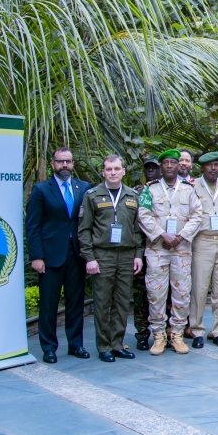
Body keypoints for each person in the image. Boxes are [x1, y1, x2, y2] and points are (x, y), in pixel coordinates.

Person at [25, 147, 92, 364]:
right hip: (50, 256)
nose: (65, 166)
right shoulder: (41, 189)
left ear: (73, 164)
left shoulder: (83, 188)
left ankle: (76, 344)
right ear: (53, 164)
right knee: (49, 304)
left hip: (77, 254)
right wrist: (36, 256)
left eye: (68, 162)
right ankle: (49, 348)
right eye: (60, 162)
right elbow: (33, 225)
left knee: (75, 302)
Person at [77, 155, 144, 363]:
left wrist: (138, 255)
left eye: (116, 169)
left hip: (126, 255)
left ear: (123, 171)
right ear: (103, 172)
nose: (113, 172)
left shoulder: (132, 195)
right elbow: (84, 230)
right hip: (102, 255)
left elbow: (137, 230)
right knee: (103, 302)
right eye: (109, 169)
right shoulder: (92, 195)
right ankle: (104, 345)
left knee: (123, 302)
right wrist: (89, 257)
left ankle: (117, 344)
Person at [136, 149, 203, 355]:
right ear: (161, 167)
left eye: (173, 163)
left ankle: (177, 334)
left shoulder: (188, 189)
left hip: (181, 250)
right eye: (165, 163)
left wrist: (181, 236)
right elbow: (143, 215)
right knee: (156, 293)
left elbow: (197, 215)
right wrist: (162, 234)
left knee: (181, 293)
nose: (169, 166)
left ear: (178, 166)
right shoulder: (150, 190)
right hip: (157, 249)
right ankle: (158, 335)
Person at [188, 152, 218, 348]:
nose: (213, 168)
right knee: (199, 288)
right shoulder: (192, 187)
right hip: (202, 240)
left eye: (216, 165)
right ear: (202, 168)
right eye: (209, 166)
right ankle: (197, 329)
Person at [131, 156, 161, 350]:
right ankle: (142, 333)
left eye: (154, 167)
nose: (150, 170)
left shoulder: (165, 191)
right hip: (141, 248)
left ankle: (163, 332)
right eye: (147, 168)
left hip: (160, 247)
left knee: (162, 293)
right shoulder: (137, 193)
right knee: (140, 293)